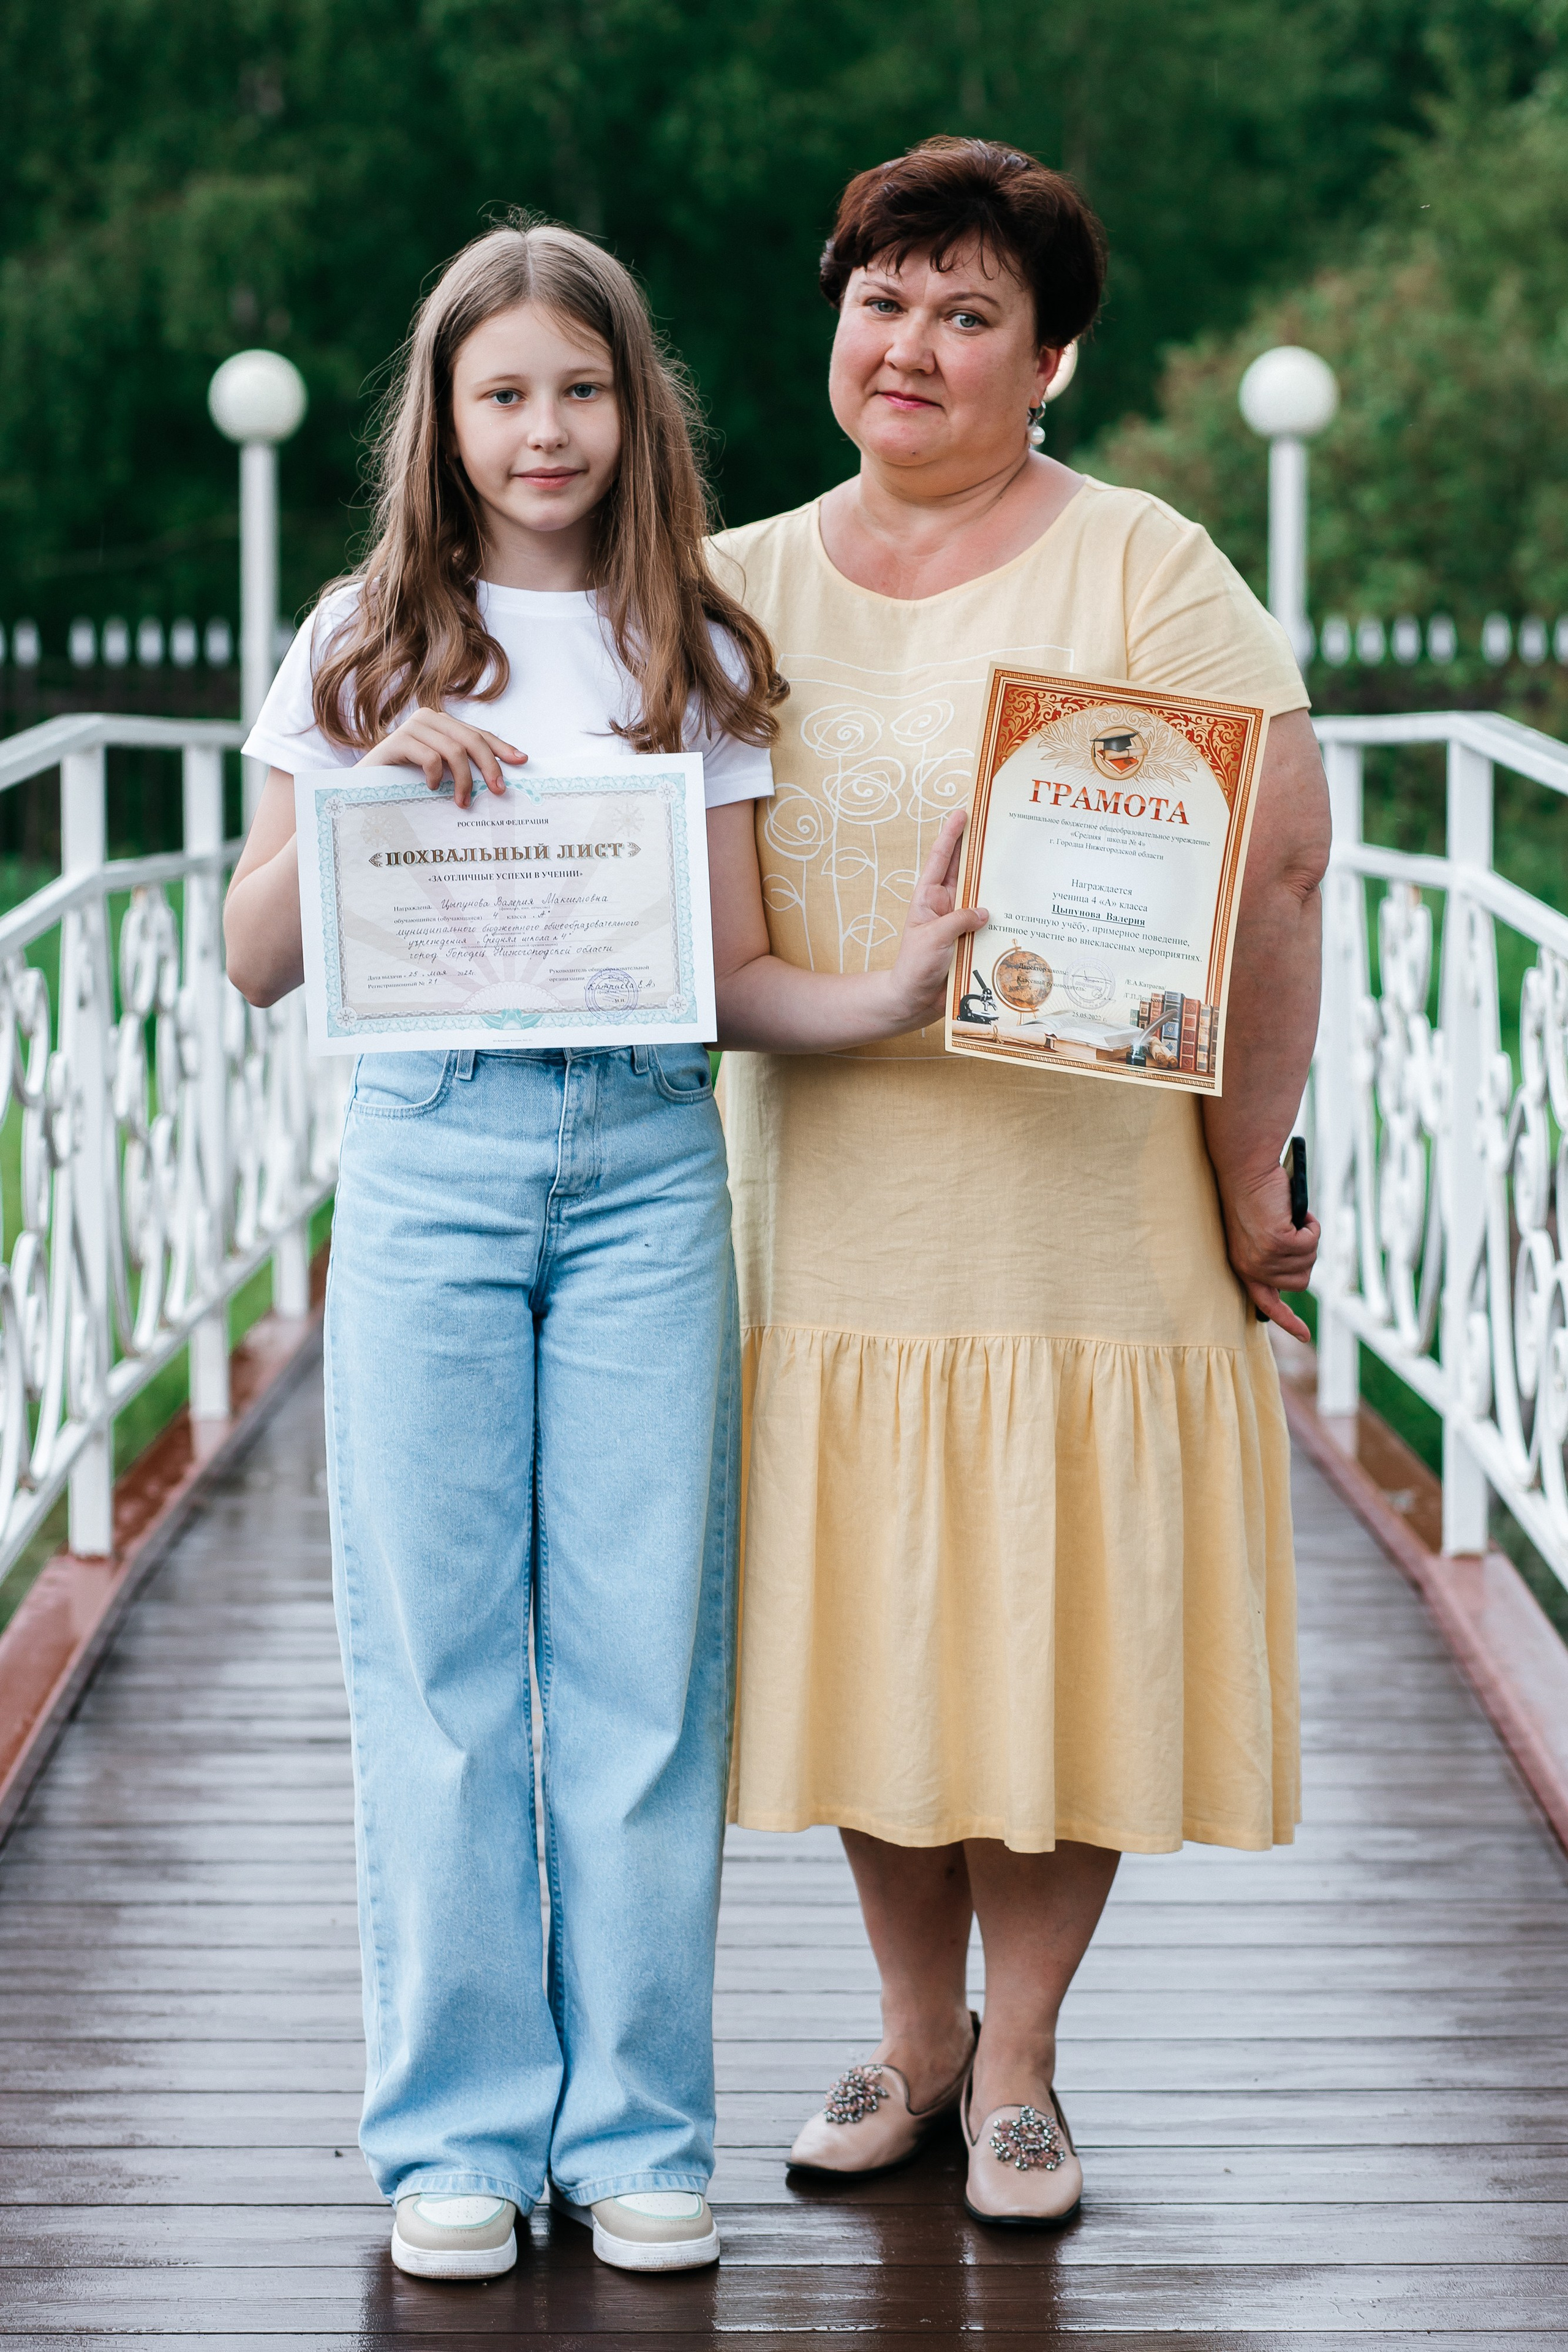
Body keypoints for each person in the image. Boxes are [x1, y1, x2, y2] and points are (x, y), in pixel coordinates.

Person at [224, 218, 981, 2283]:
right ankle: (457, 2140)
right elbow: (254, 956)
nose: (543, 429)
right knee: (443, 1669)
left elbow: (733, 976)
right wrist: (365, 779)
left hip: (649, 1161)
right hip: (434, 1156)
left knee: (646, 1665)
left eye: (580, 389)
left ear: (635, 409)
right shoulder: (357, 639)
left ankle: (642, 2131)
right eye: (503, 393)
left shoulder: (691, 647)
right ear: (444, 417)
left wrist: (897, 987)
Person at [707, 137, 1329, 2226]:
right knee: (880, 1620)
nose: (912, 344)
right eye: (882, 299)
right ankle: (916, 2039)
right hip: (831, 1193)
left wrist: (1251, 1170)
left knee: (1057, 1628)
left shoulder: (1143, 565)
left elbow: (1279, 868)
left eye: (970, 312)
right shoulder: (730, 580)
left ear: (1050, 359)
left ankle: (1029, 2068)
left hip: (1083, 1211)